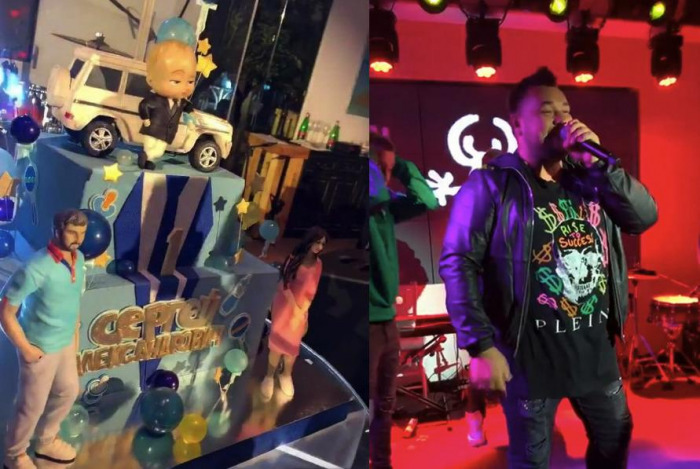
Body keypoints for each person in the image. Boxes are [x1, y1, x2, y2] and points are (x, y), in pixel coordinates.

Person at [440, 67, 658, 469]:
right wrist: (480, 346)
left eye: (566, 110)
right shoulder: (490, 186)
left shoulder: (592, 180)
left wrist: (603, 166)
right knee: (532, 459)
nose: (561, 119)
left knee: (615, 439)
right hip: (531, 360)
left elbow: (644, 217)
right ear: (516, 124)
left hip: (595, 354)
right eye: (546, 110)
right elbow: (459, 263)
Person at [369, 129, 438, 469]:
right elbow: (373, 191)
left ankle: (382, 463)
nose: (386, 176)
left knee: (384, 404)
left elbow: (428, 201)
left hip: (387, 321)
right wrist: (379, 167)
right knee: (363, 405)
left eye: (388, 170)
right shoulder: (370, 203)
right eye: (380, 168)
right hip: (368, 323)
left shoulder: (385, 208)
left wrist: (400, 166)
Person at [1, 209, 88, 469]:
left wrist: (74, 337)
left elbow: (73, 300)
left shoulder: (79, 260)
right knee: (31, 406)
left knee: (68, 391)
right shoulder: (36, 268)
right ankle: (14, 454)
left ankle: (46, 439)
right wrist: (26, 349)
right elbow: (5, 312)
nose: (78, 239)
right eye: (72, 232)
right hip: (40, 347)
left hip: (65, 342)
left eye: (82, 233)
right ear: (57, 230)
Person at [262, 226, 327, 400]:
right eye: (317, 242)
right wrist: (296, 310)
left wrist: (303, 312)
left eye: (322, 244)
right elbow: (285, 285)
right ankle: (269, 376)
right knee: (277, 344)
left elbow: (312, 291)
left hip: (302, 307)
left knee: (292, 346)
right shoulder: (294, 258)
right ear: (309, 240)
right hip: (284, 304)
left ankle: (285, 375)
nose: (319, 247)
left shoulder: (319, 264)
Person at [138, 40, 197, 170]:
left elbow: (188, 109)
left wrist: (191, 120)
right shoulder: (155, 100)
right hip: (153, 128)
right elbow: (144, 105)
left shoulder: (182, 102)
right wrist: (146, 118)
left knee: (159, 150)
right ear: (151, 80)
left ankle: (148, 158)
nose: (185, 87)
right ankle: (146, 156)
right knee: (149, 145)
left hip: (167, 132)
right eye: (176, 81)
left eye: (190, 81)